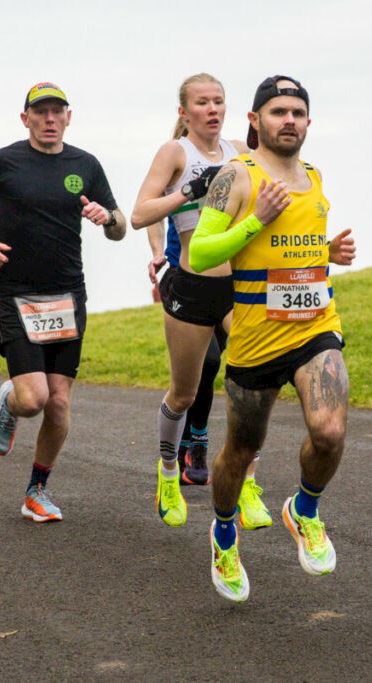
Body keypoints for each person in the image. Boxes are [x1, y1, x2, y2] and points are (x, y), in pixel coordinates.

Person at [189, 76, 353, 601]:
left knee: (329, 431)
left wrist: (327, 252)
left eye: (298, 112)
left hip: (316, 328)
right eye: (278, 111)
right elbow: (201, 254)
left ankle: (304, 509)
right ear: (255, 121)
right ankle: (222, 532)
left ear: (309, 122)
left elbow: (291, 248)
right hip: (257, 340)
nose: (289, 120)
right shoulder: (235, 176)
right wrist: (254, 220)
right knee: (241, 448)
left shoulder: (313, 175)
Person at [0, 82, 126, 521]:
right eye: (40, 111)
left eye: (57, 111)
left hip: (68, 294)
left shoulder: (85, 164)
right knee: (34, 399)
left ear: (69, 116)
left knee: (60, 401)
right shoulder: (2, 161)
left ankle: (36, 490)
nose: (49, 119)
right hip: (17, 293)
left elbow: (120, 224)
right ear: (25, 117)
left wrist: (107, 219)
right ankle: (9, 401)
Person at [131, 74, 263, 530]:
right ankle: (169, 472)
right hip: (190, 285)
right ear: (184, 112)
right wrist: (188, 191)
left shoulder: (238, 153)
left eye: (218, 101)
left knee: (254, 384)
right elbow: (139, 214)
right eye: (202, 103)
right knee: (185, 393)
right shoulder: (175, 153)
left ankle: (248, 482)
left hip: (237, 287)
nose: (212, 109)